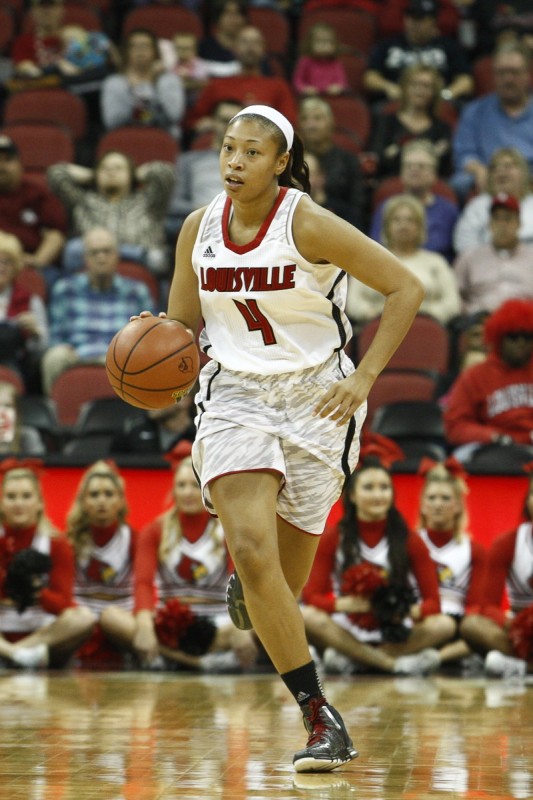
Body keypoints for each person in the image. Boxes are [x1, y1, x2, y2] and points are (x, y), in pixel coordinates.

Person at [139, 103, 424, 771]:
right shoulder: (196, 229)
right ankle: (319, 714)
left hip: (317, 397)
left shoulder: (307, 221)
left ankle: (259, 585)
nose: (234, 162)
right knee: (249, 547)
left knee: (279, 584)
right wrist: (155, 353)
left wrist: (366, 379)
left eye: (250, 152)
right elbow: (183, 330)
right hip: (236, 393)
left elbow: (404, 287)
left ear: (279, 163)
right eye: (227, 149)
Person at [98, 452, 260, 673]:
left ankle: (167, 660)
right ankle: (200, 663)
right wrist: (145, 627)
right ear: (173, 490)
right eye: (181, 485)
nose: (187, 493)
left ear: (206, 488)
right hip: (170, 628)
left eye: (194, 485)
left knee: (263, 618)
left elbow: (241, 581)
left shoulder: (227, 528)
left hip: (220, 624)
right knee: (110, 617)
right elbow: (143, 584)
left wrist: (240, 628)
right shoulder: (154, 530)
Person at [301, 445, 454, 677]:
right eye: (369, 487)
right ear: (352, 495)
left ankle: (355, 660)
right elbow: (312, 596)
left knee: (444, 624)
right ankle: (392, 665)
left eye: (384, 488)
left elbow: (434, 604)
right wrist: (346, 605)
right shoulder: (333, 537)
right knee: (306, 616)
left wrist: (402, 611)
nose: (377, 495)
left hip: (394, 629)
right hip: (348, 627)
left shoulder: (409, 540)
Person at [0, 459, 95, 669]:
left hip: (42, 637)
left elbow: (62, 604)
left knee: (84, 618)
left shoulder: (56, 543)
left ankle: (16, 655)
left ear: (40, 502)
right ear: (2, 503)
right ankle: (12, 654)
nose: (18, 503)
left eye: (26, 496)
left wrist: (34, 590)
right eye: (11, 497)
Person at [41, 227, 154, 395]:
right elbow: (56, 336)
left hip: (120, 358)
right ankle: (58, 414)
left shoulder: (137, 292)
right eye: (94, 253)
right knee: (54, 357)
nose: (101, 258)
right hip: (76, 355)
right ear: (85, 258)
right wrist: (64, 348)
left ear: (117, 256)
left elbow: (147, 338)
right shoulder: (65, 289)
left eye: (107, 251)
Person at [47, 150, 175, 275]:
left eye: (118, 168)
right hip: (94, 259)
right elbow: (56, 174)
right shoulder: (83, 201)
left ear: (131, 173)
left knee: (157, 258)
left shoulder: (148, 201)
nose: (111, 171)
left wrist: (136, 174)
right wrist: (93, 174)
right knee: (73, 249)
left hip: (143, 261)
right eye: (104, 168)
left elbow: (165, 174)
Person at [460, 467, 533, 679]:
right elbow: (488, 606)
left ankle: (519, 668)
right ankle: (526, 667)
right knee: (472, 625)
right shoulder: (507, 543)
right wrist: (517, 625)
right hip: (522, 632)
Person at [416, 458, 487, 671]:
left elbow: (475, 605)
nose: (438, 504)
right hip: (420, 623)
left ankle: (434, 658)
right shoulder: (410, 542)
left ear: (457, 505)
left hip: (457, 628)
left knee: (479, 634)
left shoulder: (474, 550)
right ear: (423, 504)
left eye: (445, 498)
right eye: (432, 498)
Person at [348, 194, 460, 327]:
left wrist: (430, 315)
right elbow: (352, 301)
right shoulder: (368, 261)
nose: (403, 225)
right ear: (386, 226)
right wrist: (370, 313)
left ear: (420, 227)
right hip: (377, 328)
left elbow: (453, 302)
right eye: (396, 220)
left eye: (410, 220)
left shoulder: (436, 262)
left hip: (425, 328)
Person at [66, 460, 138, 667]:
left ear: (120, 501)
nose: (101, 501)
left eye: (108, 494)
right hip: (80, 627)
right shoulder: (68, 542)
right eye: (94, 495)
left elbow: (147, 587)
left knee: (111, 617)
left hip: (121, 624)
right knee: (80, 619)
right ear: (83, 502)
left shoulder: (134, 538)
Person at [443, 298, 533, 459]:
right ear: (498, 338)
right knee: (459, 459)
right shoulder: (475, 375)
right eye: (513, 337)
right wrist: (492, 436)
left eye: (527, 337)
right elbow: (455, 426)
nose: (521, 343)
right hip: (491, 448)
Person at [450, 41, 533, 201]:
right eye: (501, 73)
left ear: (527, 74)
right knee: (459, 183)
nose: (508, 79)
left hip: (530, 174)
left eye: (514, 72)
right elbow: (463, 153)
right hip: (488, 173)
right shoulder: (474, 111)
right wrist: (477, 168)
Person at [187, 26, 297, 134]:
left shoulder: (278, 86)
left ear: (264, 49)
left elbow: (289, 124)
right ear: (234, 48)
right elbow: (192, 121)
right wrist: (208, 124)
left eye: (256, 42)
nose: (250, 47)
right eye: (244, 42)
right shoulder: (217, 85)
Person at [363, 0, 473, 105]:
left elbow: (466, 81)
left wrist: (445, 95)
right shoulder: (387, 45)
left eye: (420, 19)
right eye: (410, 17)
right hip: (397, 103)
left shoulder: (449, 46)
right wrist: (389, 87)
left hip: (438, 104)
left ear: (433, 22)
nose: (414, 23)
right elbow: (370, 77)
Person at [369, 139, 459, 261]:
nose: (414, 170)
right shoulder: (386, 207)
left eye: (421, 166)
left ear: (434, 173)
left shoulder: (449, 211)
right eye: (408, 165)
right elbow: (375, 248)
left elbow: (456, 252)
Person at [166, 99, 243, 238]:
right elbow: (175, 204)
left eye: (236, 122)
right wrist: (208, 211)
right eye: (224, 120)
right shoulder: (189, 161)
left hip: (242, 226)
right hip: (200, 226)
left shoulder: (253, 163)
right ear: (213, 122)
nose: (230, 127)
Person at [0, 135, 67, 286]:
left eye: (8, 160)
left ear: (20, 164)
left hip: (30, 263)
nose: (2, 166)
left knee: (52, 280)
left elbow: (55, 234)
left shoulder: (37, 194)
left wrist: (38, 260)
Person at [453, 193, 533, 316]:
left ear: (519, 223)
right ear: (489, 224)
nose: (502, 224)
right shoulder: (470, 257)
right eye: (496, 218)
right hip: (480, 321)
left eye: (507, 218)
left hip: (525, 322)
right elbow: (454, 294)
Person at [369, 63, 453, 179]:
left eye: (427, 86)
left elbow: (444, 166)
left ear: (434, 92)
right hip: (390, 182)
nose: (420, 91)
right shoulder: (386, 122)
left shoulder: (442, 128)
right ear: (404, 88)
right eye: (414, 84)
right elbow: (378, 158)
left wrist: (396, 151)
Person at [100, 28, 186, 140]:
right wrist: (150, 105)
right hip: (124, 139)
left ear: (155, 51)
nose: (140, 51)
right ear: (126, 51)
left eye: (145, 46)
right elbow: (112, 121)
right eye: (134, 46)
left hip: (163, 139)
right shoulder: (114, 83)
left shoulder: (169, 81)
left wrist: (142, 87)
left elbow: (174, 116)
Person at [298, 96, 365, 228]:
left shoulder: (348, 161)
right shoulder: (290, 160)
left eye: (317, 118)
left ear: (331, 123)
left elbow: (358, 208)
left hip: (342, 226)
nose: (311, 125)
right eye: (305, 119)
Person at [453, 147, 533, 255]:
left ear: (523, 173)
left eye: (508, 166)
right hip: (486, 267)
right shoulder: (477, 206)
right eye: (494, 168)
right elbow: (464, 243)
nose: (500, 171)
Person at [0, 230, 49, 390]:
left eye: (6, 262)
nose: (1, 267)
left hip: (16, 366)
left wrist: (34, 332)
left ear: (15, 267)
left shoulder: (31, 301)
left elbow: (43, 347)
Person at [292, 22, 350, 98]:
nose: (324, 45)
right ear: (310, 43)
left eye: (328, 42)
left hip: (332, 97)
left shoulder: (336, 63)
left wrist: (337, 88)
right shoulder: (305, 61)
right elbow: (297, 81)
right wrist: (304, 89)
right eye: (319, 42)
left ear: (335, 44)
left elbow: (342, 82)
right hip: (310, 97)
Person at [198, 0, 247, 78]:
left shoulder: (250, 49)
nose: (233, 19)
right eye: (228, 13)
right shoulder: (203, 48)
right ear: (217, 18)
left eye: (237, 13)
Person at [0, 382, 45, 456]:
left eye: (7, 406)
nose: (2, 412)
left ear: (17, 411)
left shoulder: (28, 436)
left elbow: (38, 464)